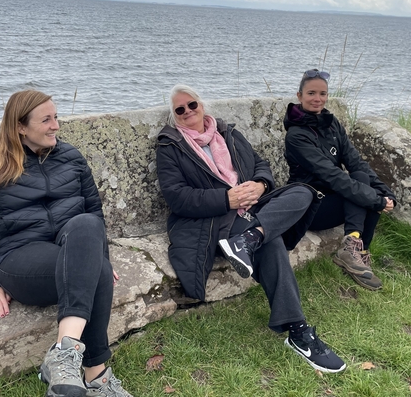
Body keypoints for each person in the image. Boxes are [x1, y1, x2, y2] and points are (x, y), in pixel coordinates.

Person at [155, 84, 346, 374]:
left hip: (253, 208)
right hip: (215, 217)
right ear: (175, 116)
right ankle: (298, 331)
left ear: (201, 105)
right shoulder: (170, 146)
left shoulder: (227, 133)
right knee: (272, 242)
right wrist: (226, 198)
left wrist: (260, 184)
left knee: (304, 193)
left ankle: (250, 238)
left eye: (192, 105)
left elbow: (260, 164)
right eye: (180, 110)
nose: (188, 112)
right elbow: (176, 197)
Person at [0, 90, 132, 397]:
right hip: (19, 259)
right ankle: (93, 374)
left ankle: (73, 362)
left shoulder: (71, 158)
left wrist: (101, 258)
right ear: (20, 126)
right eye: (47, 120)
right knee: (97, 272)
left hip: (71, 247)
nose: (56, 126)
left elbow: (94, 212)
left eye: (56, 117)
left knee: (88, 228)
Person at [283, 69, 397, 291]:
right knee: (364, 196)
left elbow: (355, 162)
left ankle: (358, 253)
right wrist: (375, 199)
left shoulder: (331, 123)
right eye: (311, 93)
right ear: (299, 96)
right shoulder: (296, 136)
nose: (318, 99)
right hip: (311, 205)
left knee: (363, 180)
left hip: (333, 196)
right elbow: (332, 176)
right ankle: (351, 251)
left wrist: (384, 193)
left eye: (323, 94)